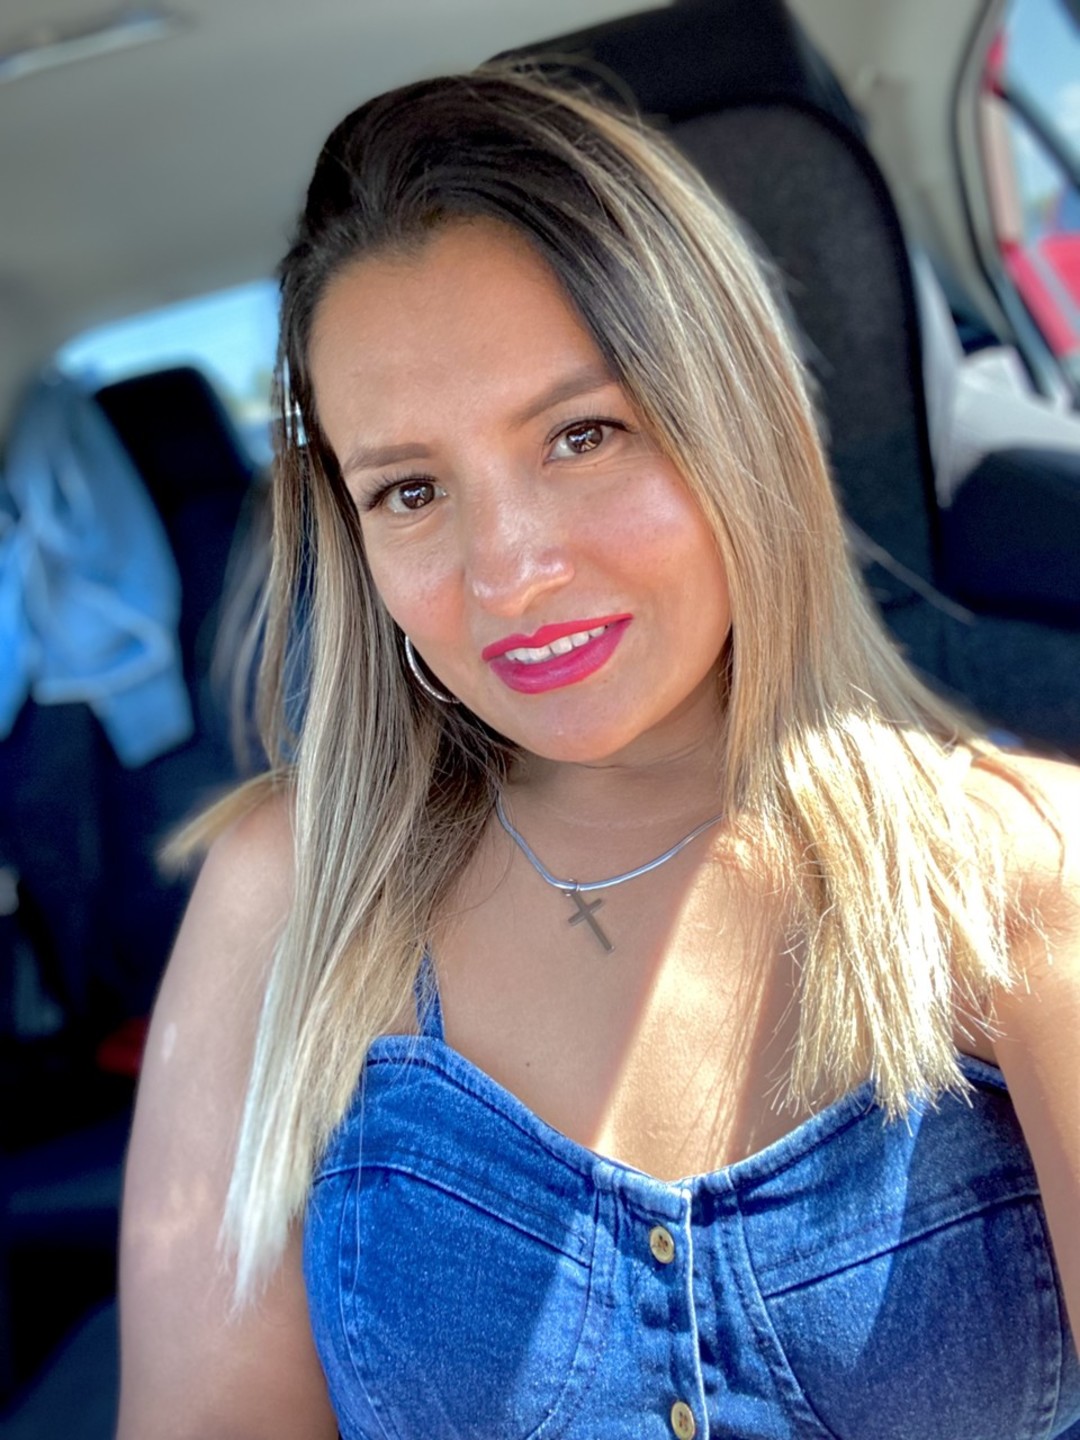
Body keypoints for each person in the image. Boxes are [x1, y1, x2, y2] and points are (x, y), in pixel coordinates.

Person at [117, 65, 1080, 1440]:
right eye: (410, 488)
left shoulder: (1024, 870)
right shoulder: (289, 895)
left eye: (584, 434)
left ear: (735, 424)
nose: (509, 569)